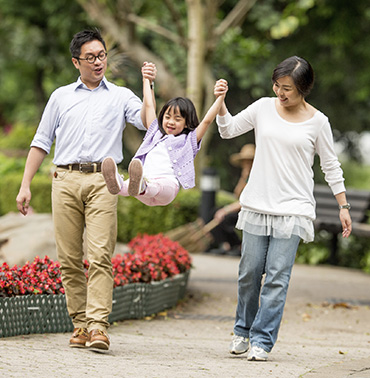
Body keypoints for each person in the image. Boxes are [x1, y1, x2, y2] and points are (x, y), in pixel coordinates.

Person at [15, 28, 157, 351]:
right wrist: (25, 185)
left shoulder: (120, 96)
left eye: (102, 55)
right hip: (63, 180)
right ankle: (80, 324)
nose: (98, 62)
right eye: (90, 57)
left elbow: (150, 123)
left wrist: (148, 85)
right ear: (76, 62)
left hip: (102, 181)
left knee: (100, 255)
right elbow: (40, 143)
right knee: (68, 258)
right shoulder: (60, 97)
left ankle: (98, 327)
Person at [214, 56, 352, 361]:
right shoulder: (263, 107)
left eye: (287, 87)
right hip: (257, 203)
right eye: (277, 85)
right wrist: (221, 102)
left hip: (293, 209)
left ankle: (262, 340)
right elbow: (227, 130)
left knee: (277, 276)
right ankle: (242, 330)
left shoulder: (318, 122)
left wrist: (343, 205)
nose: (280, 92)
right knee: (249, 272)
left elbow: (330, 166)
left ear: (303, 88)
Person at [101, 63, 228, 206]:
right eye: (168, 117)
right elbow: (149, 105)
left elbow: (206, 121)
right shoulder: (154, 132)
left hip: (166, 188)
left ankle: (142, 186)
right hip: (144, 186)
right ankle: (116, 183)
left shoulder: (188, 140)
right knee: (128, 185)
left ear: (187, 123)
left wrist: (220, 98)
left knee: (157, 186)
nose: (171, 122)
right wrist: (146, 80)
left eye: (177, 119)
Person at [207, 144, 255, 256]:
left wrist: (226, 210)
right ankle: (226, 244)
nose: (246, 164)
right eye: (245, 161)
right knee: (214, 212)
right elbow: (236, 194)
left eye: (249, 161)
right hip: (242, 207)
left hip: (250, 210)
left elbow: (245, 201)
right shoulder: (246, 176)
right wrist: (243, 177)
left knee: (226, 217)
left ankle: (237, 245)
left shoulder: (257, 177)